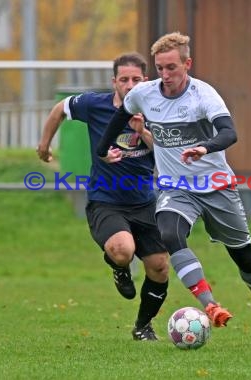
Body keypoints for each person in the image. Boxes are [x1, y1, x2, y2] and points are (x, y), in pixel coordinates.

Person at [96, 32, 251, 346]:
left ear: (188, 63)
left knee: (245, 258)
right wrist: (103, 149)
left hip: (216, 186)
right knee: (170, 234)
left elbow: (229, 133)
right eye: (160, 68)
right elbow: (118, 117)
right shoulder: (145, 94)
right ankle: (210, 304)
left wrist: (205, 147)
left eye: (172, 67)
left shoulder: (204, 95)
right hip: (176, 186)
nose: (165, 75)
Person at [37, 52, 169, 341]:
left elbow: (165, 151)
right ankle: (118, 267)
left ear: (145, 80)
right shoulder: (94, 104)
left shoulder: (157, 109)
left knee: (159, 267)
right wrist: (45, 146)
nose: (130, 84)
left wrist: (143, 131)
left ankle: (143, 327)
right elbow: (60, 108)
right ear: (114, 82)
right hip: (106, 200)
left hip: (145, 200)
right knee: (123, 250)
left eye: (136, 79)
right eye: (124, 79)